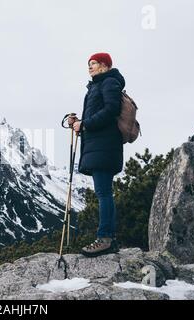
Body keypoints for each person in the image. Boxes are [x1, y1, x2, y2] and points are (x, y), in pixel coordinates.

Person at [68, 52, 125, 257]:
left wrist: (85, 124)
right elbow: (100, 113)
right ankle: (108, 238)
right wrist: (79, 121)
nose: (90, 67)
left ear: (104, 65)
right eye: (89, 64)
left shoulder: (109, 83)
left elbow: (111, 110)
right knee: (104, 192)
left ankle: (105, 238)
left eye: (93, 64)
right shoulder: (99, 85)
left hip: (104, 146)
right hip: (100, 146)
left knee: (103, 193)